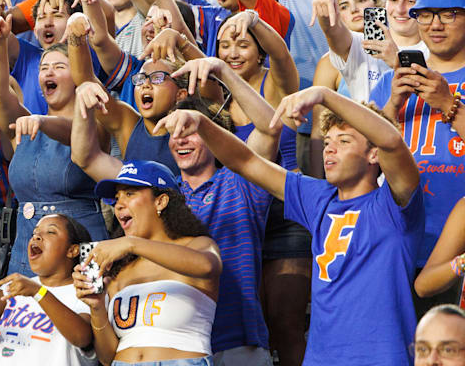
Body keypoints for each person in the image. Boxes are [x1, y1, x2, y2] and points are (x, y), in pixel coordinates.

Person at [156, 84, 422, 365]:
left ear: (373, 155)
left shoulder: (395, 203)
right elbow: (246, 161)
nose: (329, 150)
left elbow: (392, 141)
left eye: (344, 142)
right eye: (328, 141)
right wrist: (202, 125)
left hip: (382, 357)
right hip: (320, 359)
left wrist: (325, 95)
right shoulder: (319, 197)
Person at [0, 13, 107, 276]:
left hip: (82, 248)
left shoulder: (96, 119)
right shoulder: (25, 124)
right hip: (27, 247)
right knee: (26, 317)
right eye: (43, 67)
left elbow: (75, 133)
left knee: (86, 312)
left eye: (60, 66)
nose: (49, 72)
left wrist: (44, 121)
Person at [74, 160, 222, 365]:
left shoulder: (197, 245)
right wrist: (97, 307)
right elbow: (107, 358)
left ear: (160, 201)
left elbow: (207, 266)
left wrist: (132, 244)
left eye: (130, 193)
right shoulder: (120, 270)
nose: (119, 204)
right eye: (117, 197)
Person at [371, 0, 465, 273]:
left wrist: (447, 104)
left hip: (457, 251)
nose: (435, 24)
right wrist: (393, 104)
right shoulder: (389, 83)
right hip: (399, 242)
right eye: (425, 14)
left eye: (449, 14)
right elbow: (364, 161)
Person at [0, 214, 97, 366]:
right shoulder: (16, 286)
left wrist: (39, 293)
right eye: (34, 233)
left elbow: (82, 337)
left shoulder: (84, 291)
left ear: (72, 250)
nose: (37, 237)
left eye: (51, 232)